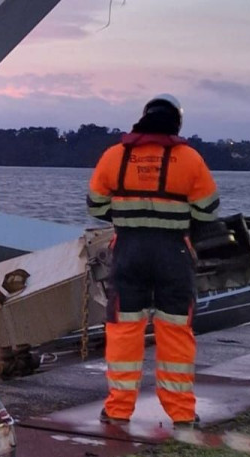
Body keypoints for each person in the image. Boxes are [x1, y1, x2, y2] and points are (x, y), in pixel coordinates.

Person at [87, 94, 219, 428]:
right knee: (175, 332)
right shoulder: (189, 159)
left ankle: (118, 410)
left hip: (128, 253)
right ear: (176, 121)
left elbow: (96, 206)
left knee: (123, 331)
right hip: (172, 255)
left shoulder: (115, 156)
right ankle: (182, 413)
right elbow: (208, 210)